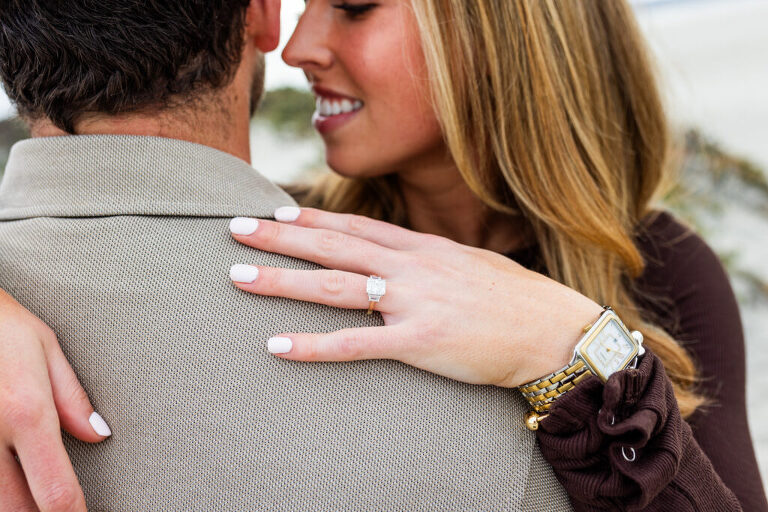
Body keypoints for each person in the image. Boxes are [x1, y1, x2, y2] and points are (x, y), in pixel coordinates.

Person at [0, 1, 765, 512]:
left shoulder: (658, 265)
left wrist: (571, 352)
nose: (300, 47)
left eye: (356, 5)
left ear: (496, 30)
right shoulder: (291, 232)